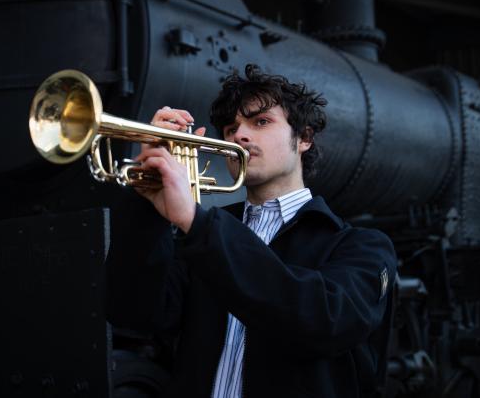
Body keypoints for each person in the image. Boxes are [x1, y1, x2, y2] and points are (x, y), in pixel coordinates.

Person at [106, 64, 397, 398]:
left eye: (261, 122)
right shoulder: (205, 235)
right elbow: (132, 312)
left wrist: (198, 222)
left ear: (303, 138)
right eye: (231, 128)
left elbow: (322, 321)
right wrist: (148, 207)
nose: (239, 136)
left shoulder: (362, 246)